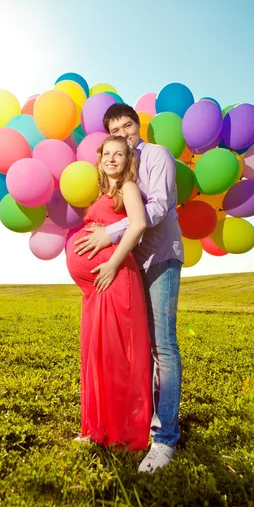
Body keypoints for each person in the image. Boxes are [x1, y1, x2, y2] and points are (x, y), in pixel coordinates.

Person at [74, 103, 184, 473]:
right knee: (137, 348)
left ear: (139, 126)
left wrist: (111, 233)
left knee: (162, 346)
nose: (124, 133)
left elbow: (158, 208)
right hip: (133, 266)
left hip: (161, 257)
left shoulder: (156, 156)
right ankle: (126, 419)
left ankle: (165, 438)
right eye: (115, 131)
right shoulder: (122, 171)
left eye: (128, 126)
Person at [66, 135, 152, 451]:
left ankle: (121, 433)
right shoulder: (106, 192)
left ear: (128, 160)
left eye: (119, 154)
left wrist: (112, 264)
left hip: (115, 279)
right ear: (100, 159)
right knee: (96, 354)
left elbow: (139, 223)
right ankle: (95, 428)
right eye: (107, 154)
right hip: (97, 288)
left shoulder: (128, 188)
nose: (112, 159)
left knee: (116, 358)